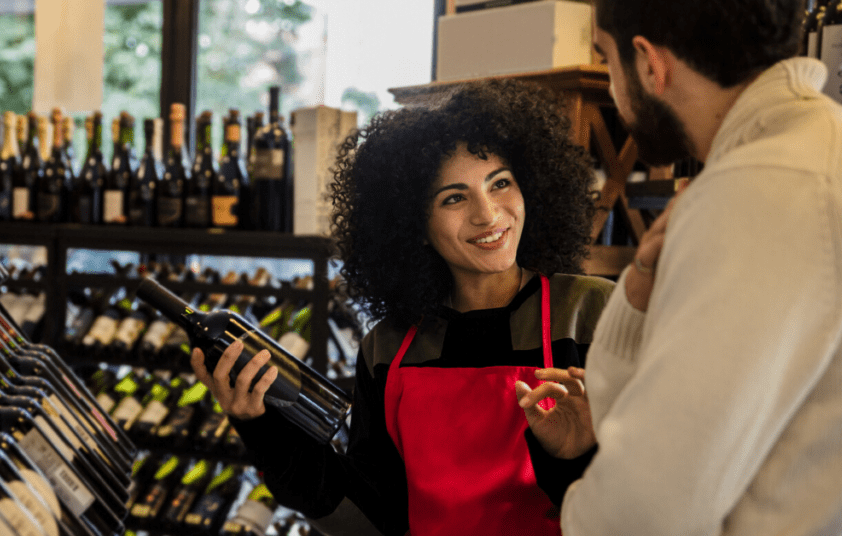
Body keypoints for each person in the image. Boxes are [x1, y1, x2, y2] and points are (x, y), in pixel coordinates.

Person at [189, 79, 614, 536]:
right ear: (413, 225)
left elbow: (659, 501)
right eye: (454, 197)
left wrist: (578, 458)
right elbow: (368, 520)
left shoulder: (590, 314)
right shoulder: (388, 348)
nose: (489, 214)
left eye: (501, 183)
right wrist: (262, 430)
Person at [516, 0, 842, 534]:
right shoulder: (827, 153)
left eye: (606, 61)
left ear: (650, 63)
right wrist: (637, 294)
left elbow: (645, 510)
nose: (612, 87)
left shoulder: (763, 189)